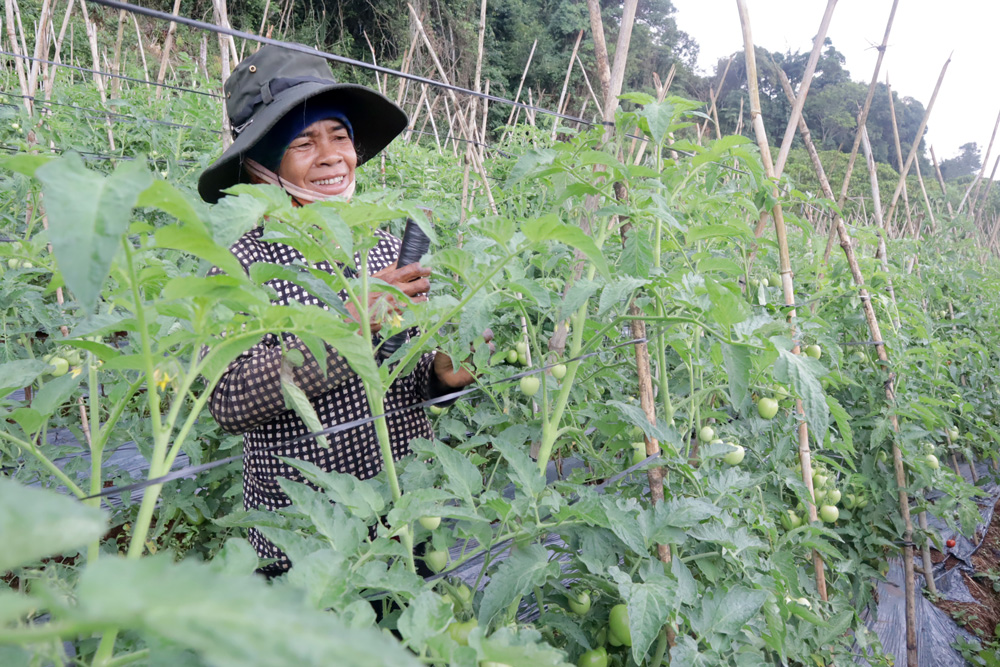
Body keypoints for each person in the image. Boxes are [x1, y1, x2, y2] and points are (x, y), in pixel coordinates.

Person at [198, 44, 476, 576]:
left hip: (403, 515)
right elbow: (230, 401)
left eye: (340, 136)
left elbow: (402, 376)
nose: (331, 156)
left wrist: (443, 378)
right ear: (258, 165)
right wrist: (351, 323)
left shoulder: (377, 242)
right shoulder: (241, 255)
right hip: (308, 539)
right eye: (303, 141)